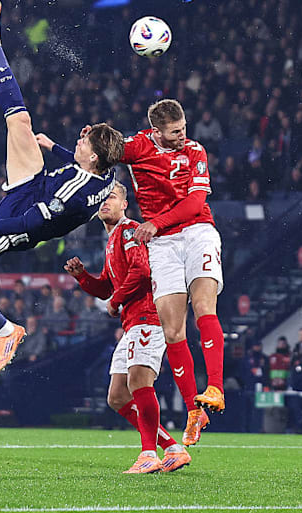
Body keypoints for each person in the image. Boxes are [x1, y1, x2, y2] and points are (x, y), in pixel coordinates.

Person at [0, 1, 124, 374]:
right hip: (34, 186)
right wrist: (56, 147)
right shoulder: (104, 174)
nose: (80, 141)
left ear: (93, 160)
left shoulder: (75, 194)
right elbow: (80, 165)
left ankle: (6, 330)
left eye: (85, 144)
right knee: (19, 120)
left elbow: (29, 225)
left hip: (18, 221)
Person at [39, 99, 225, 414]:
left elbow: (195, 204)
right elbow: (97, 161)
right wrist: (75, 145)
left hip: (196, 231)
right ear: (156, 131)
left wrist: (154, 223)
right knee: (173, 331)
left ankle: (216, 388)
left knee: (204, 307)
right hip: (163, 244)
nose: (182, 136)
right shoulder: (138, 147)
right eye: (174, 132)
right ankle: (195, 412)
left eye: (183, 129)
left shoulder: (195, 151)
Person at [64, 182, 192, 474]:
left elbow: (142, 270)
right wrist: (82, 277)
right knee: (117, 397)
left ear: (124, 204)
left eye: (111, 197)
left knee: (139, 384)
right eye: (101, 199)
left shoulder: (131, 230)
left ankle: (148, 454)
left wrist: (115, 301)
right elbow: (106, 285)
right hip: (132, 321)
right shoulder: (111, 240)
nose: (104, 203)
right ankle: (172, 449)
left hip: (149, 315)